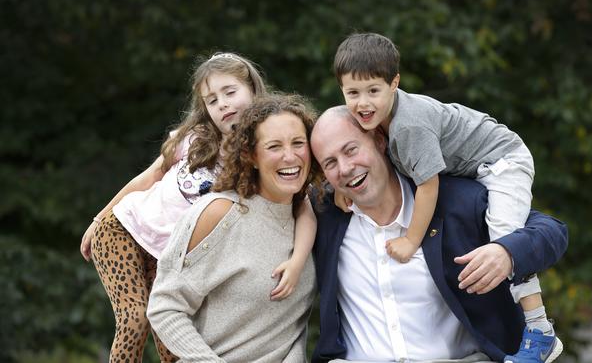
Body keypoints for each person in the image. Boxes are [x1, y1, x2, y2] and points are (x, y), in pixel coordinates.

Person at [333, 33, 561, 362]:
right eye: (352, 93)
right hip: (473, 165)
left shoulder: (408, 127)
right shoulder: (374, 117)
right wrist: (342, 187)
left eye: (373, 91)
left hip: (502, 161)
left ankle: (540, 330)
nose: (362, 103)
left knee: (505, 239)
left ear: (394, 83)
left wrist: (411, 241)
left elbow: (428, 185)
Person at [79, 53, 315, 362]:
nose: (223, 104)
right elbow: (150, 176)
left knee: (173, 346)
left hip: (166, 251)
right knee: (135, 318)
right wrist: (99, 218)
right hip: (126, 227)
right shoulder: (194, 139)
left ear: (254, 91)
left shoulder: (252, 157)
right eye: (212, 100)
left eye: (230, 92)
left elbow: (302, 206)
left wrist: (297, 260)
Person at [147, 94, 317, 362]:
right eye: (274, 146)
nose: (289, 156)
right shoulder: (219, 213)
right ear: (251, 156)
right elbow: (165, 307)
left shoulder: (312, 217)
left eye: (298, 143)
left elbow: (291, 330)